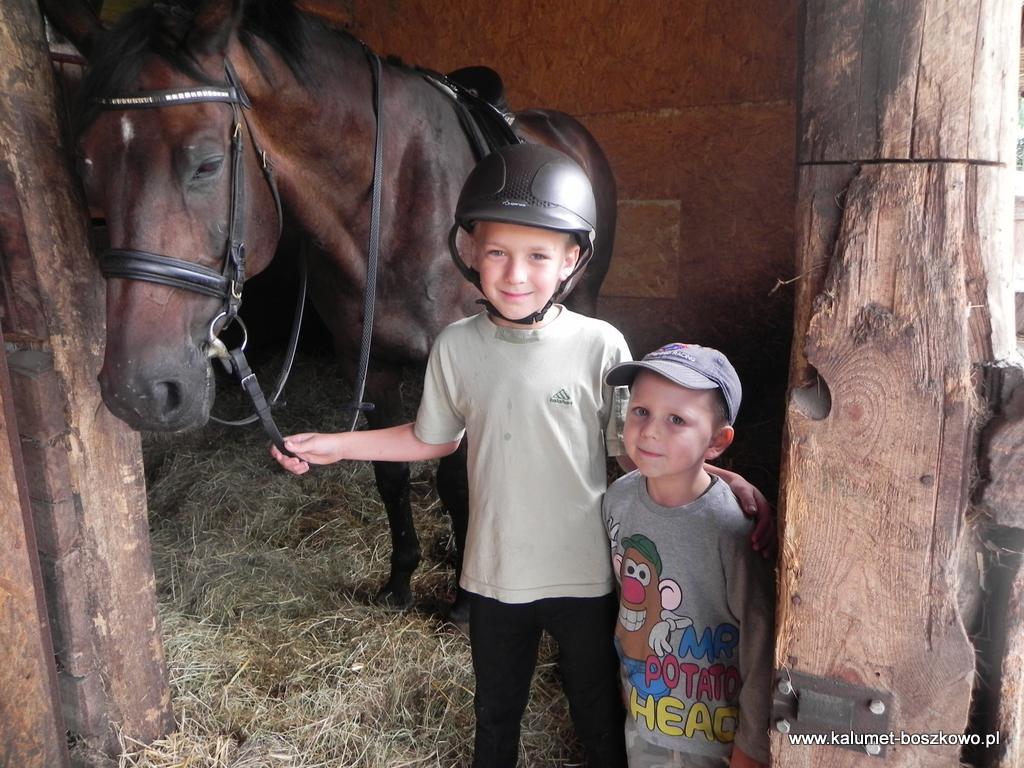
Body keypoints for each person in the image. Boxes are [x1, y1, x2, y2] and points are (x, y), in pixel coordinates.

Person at [271, 144, 772, 768]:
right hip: (494, 572)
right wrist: (335, 445)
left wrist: (721, 480)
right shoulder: (456, 346)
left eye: (537, 255)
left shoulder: (600, 346)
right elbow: (434, 438)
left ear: (571, 260)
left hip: (586, 574)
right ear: (471, 252)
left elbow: (639, 449)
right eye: (497, 253)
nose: (514, 274)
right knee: (495, 714)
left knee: (597, 713)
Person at [603, 343, 774, 768]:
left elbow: (761, 644)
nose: (650, 431)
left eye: (676, 419)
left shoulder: (733, 529)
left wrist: (752, 747)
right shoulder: (618, 500)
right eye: (641, 411)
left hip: (714, 737)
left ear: (717, 441)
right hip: (644, 716)